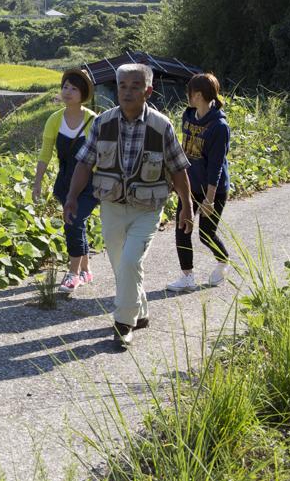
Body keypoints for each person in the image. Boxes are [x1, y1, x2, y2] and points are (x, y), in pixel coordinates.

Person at [64, 64, 194, 348]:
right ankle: (141, 311)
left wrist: (187, 206)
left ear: (148, 90)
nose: (127, 91)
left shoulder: (161, 126)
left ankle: (123, 324)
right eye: (122, 85)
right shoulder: (103, 123)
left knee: (131, 261)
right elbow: (85, 162)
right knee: (122, 266)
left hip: (147, 208)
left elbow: (178, 169)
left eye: (135, 86)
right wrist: (72, 197)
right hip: (111, 205)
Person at [32, 69, 98, 294]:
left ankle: (73, 274)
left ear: (83, 93)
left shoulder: (93, 121)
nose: (67, 92)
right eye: (65, 87)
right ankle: (86, 269)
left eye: (74, 88)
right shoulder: (54, 119)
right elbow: (45, 154)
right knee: (76, 224)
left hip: (89, 184)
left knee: (74, 222)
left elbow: (102, 155)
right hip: (64, 183)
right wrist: (37, 182)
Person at [167, 73, 232, 290]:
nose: (187, 95)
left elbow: (216, 165)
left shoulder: (219, 126)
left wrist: (210, 200)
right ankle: (187, 277)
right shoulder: (188, 117)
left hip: (213, 189)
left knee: (206, 234)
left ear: (198, 94)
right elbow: (182, 152)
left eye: (190, 92)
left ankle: (223, 262)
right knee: (182, 228)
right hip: (189, 184)